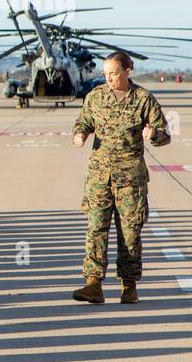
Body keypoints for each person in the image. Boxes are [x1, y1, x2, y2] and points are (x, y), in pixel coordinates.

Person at [71, 51, 171, 304]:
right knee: (95, 228)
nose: (109, 78)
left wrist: (154, 135)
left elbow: (164, 134)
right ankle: (93, 284)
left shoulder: (143, 99)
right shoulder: (95, 96)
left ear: (128, 71)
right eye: (106, 74)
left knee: (129, 232)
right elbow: (83, 122)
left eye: (114, 73)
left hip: (130, 179)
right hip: (99, 177)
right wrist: (80, 134)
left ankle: (129, 285)